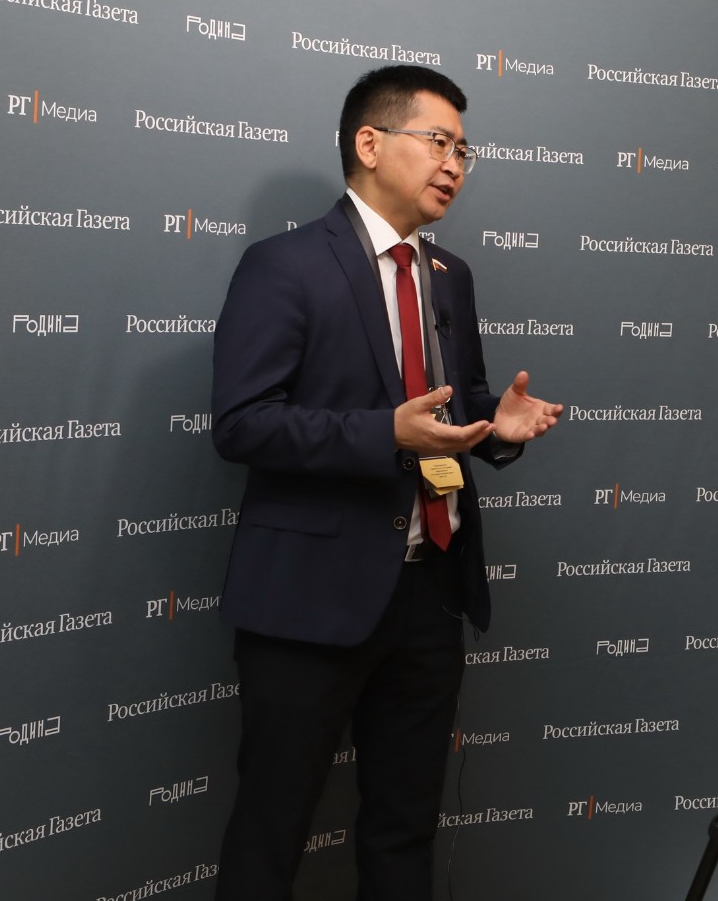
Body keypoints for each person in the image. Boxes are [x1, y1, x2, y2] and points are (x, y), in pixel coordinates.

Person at [210, 64, 563, 899]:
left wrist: (496, 427)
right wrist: (383, 433)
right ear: (369, 144)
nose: (454, 165)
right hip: (308, 600)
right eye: (439, 141)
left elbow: (454, 407)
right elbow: (242, 423)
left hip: (429, 595)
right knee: (271, 830)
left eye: (464, 151)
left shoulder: (449, 276)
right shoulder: (285, 265)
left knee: (405, 828)